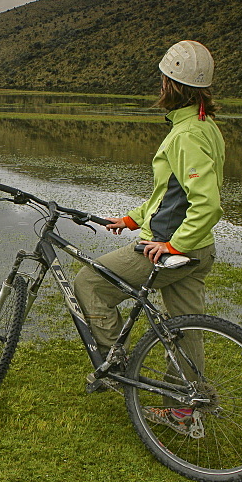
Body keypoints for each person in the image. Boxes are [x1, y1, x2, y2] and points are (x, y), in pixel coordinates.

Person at [73, 40, 225, 418]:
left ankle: (119, 368)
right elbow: (170, 194)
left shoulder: (186, 135)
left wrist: (175, 244)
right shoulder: (204, 127)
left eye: (162, 81)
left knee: (89, 284)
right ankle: (187, 408)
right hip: (199, 249)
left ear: (170, 85)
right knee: (186, 328)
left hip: (169, 247)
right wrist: (132, 218)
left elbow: (206, 202)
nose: (159, 87)